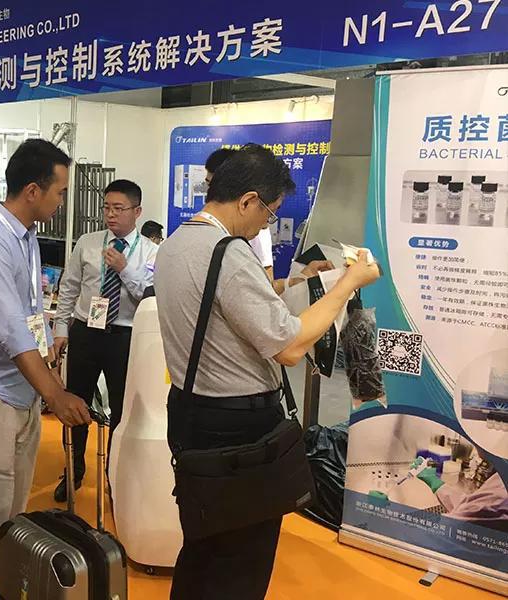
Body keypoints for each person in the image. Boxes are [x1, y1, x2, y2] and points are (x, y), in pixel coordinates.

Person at [154, 144, 380, 599]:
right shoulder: (228, 252)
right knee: (242, 561)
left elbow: (231, 307)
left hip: (192, 412)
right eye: (269, 213)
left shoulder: (177, 243)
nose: (266, 224)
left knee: (204, 546)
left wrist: (298, 282)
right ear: (248, 201)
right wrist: (347, 285)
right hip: (239, 428)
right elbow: (290, 347)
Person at [0, 138, 91, 588]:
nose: (62, 201)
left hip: (23, 391)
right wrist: (55, 391)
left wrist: (46, 375)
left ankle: (6, 590)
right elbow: (7, 330)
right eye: (60, 192)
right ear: (33, 190)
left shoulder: (26, 238)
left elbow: (30, 316)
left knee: (14, 517)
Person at [51, 179, 159, 502]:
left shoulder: (152, 251)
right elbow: (69, 287)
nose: (111, 214)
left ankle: (115, 474)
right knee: (76, 403)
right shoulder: (88, 242)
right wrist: (60, 329)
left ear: (137, 211)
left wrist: (125, 269)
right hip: (86, 332)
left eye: (119, 208)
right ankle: (73, 468)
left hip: (125, 338)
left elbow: (149, 297)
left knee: (122, 411)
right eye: (107, 208)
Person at [206, 148, 274, 279]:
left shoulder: (254, 225)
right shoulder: (206, 223)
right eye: (208, 184)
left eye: (213, 185)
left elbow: (267, 278)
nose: (210, 192)